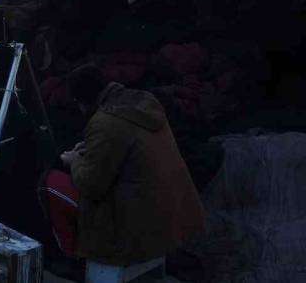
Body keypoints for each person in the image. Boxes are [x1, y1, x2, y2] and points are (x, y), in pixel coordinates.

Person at [61, 64, 205, 276]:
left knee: (57, 185)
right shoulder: (144, 102)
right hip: (171, 216)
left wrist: (74, 160)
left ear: (80, 101)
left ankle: (73, 263)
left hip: (137, 231)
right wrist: (93, 149)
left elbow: (91, 184)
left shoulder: (106, 122)